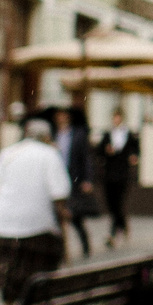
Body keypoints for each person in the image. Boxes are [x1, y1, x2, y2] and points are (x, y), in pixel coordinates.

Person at [0, 118, 71, 305]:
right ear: (46, 137)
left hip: (2, 224)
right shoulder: (49, 155)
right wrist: (63, 215)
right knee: (38, 269)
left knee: (9, 270)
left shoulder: (7, 153)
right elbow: (59, 193)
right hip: (37, 225)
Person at [56, 108, 96, 260]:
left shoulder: (78, 135)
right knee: (58, 215)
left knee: (75, 216)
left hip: (73, 179)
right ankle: (61, 250)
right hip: (57, 177)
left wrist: (87, 179)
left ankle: (85, 245)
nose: (62, 118)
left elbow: (86, 158)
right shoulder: (53, 134)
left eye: (64, 115)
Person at [96, 112, 136, 244]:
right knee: (111, 203)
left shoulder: (128, 134)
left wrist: (133, 157)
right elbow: (99, 151)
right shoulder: (108, 134)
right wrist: (106, 150)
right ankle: (124, 226)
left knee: (118, 202)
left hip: (123, 174)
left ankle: (113, 233)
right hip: (109, 174)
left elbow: (135, 150)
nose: (116, 120)